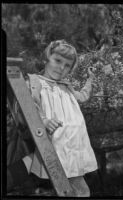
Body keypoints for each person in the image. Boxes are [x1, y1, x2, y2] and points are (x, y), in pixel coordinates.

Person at [7, 40, 98, 197]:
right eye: (57, 60)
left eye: (67, 65)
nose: (61, 68)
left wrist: (90, 79)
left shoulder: (66, 86)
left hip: (73, 148)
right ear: (47, 58)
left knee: (81, 190)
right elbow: (29, 106)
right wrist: (43, 121)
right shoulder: (36, 82)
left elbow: (82, 96)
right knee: (77, 189)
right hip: (53, 143)